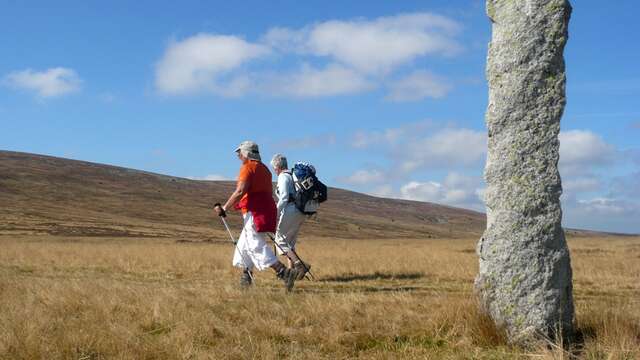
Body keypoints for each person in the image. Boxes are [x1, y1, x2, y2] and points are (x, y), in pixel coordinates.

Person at [214, 141, 300, 291]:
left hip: (255, 212)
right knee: (245, 244)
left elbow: (241, 191)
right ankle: (246, 276)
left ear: (247, 153)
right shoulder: (265, 169)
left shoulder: (247, 168)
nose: (238, 156)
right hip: (264, 210)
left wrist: (225, 208)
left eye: (240, 153)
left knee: (254, 244)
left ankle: (284, 272)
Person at [270, 154, 310, 280]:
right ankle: (293, 272)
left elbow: (283, 198)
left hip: (290, 210)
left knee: (280, 241)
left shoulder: (283, 177)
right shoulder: (293, 176)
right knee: (289, 243)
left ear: (278, 166)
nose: (274, 170)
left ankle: (300, 266)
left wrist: (275, 215)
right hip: (300, 211)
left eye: (274, 168)